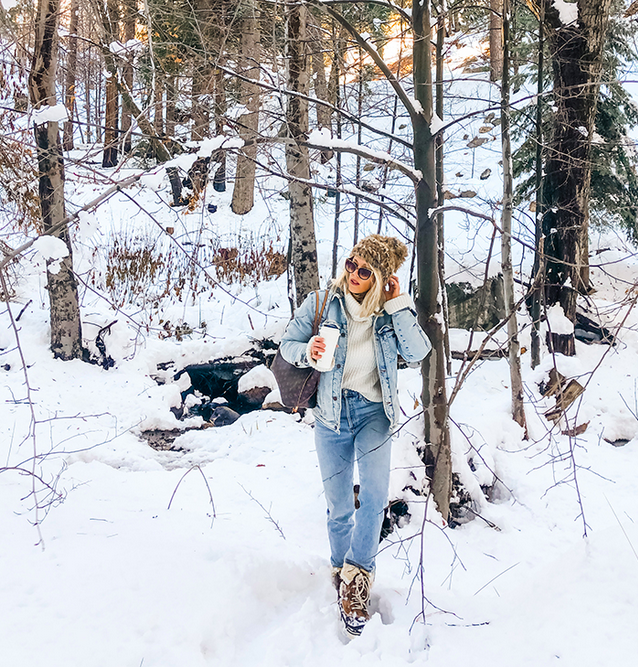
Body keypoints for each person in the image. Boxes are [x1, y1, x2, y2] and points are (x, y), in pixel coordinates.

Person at [279, 234, 431, 637]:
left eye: (366, 270)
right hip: (330, 414)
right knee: (338, 504)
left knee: (376, 498)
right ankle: (340, 571)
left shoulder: (390, 312)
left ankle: (359, 578)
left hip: (373, 414)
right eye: (351, 264)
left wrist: (398, 304)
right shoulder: (320, 302)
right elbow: (287, 344)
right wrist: (306, 350)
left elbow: (418, 351)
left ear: (381, 277)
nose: (354, 275)